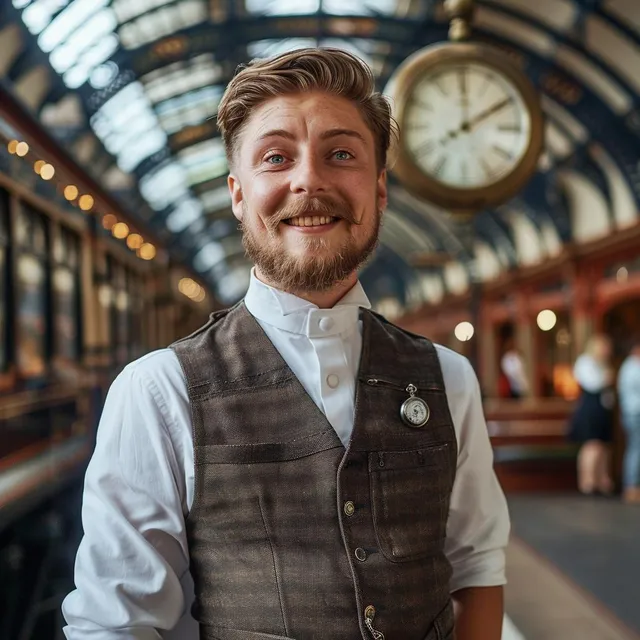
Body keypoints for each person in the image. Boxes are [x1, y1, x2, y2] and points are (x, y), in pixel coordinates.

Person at [62, 48, 510, 640]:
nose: (309, 180)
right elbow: (118, 625)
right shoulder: (156, 393)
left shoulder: (448, 379)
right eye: (276, 158)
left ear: (378, 191)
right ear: (239, 194)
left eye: (341, 154)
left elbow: (476, 568)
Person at [568, 334, 615, 496]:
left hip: (601, 408)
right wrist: (605, 378)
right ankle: (587, 482)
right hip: (589, 409)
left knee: (603, 447)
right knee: (591, 445)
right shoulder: (585, 362)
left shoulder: (602, 364)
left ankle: (601, 480)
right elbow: (593, 383)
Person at [617, 342, 640, 504]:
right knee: (636, 449)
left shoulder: (627, 367)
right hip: (635, 413)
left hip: (631, 412)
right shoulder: (633, 368)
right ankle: (631, 486)